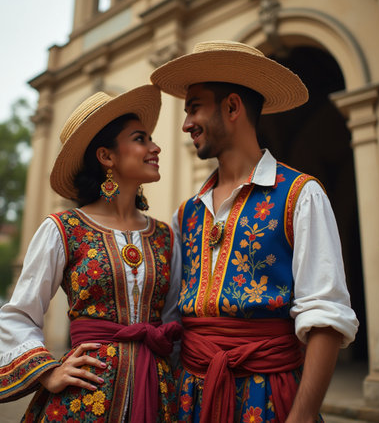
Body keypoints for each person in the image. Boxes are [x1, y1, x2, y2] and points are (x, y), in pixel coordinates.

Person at [150, 41, 359, 422]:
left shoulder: (301, 194)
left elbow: (326, 317)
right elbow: (173, 317)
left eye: (194, 107)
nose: (186, 124)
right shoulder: (188, 213)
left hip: (267, 398)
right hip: (191, 397)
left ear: (232, 107)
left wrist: (301, 416)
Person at [0, 84, 182, 422]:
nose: (156, 147)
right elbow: (19, 313)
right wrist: (48, 373)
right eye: (141, 139)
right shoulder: (63, 228)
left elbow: (172, 320)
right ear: (107, 156)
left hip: (157, 395)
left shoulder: (165, 236)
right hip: (85, 399)